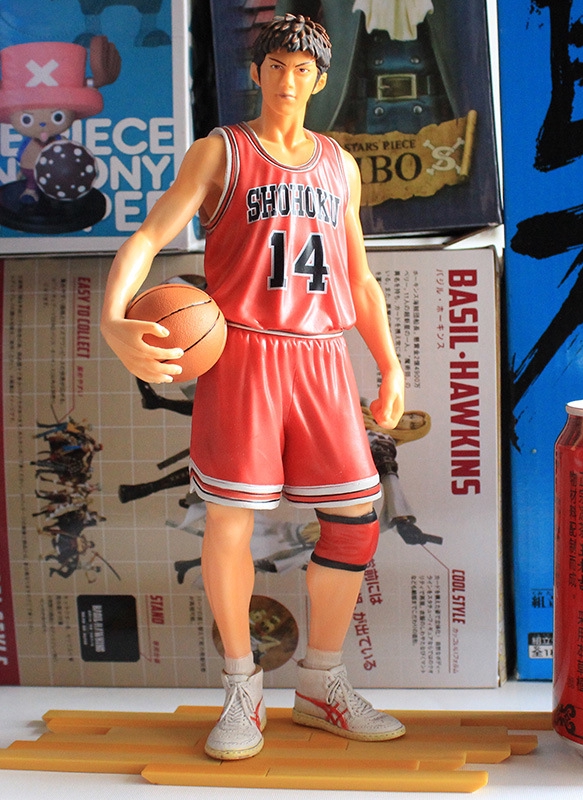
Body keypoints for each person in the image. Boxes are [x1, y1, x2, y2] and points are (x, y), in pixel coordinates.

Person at [101, 14, 406, 760]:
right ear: (257, 72)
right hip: (243, 353)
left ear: (320, 79)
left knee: (356, 518)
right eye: (277, 66)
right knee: (230, 520)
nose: (288, 79)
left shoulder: (340, 164)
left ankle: (321, 682)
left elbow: (361, 277)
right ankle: (242, 686)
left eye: (303, 69)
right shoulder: (223, 150)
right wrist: (112, 318)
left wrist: (391, 363)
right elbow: (149, 235)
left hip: (322, 355)